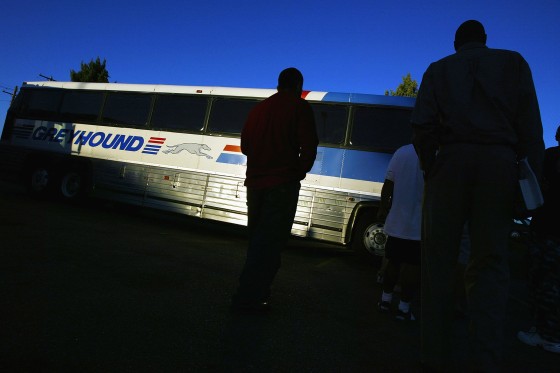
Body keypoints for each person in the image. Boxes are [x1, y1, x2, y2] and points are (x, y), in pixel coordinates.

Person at [411, 20, 544, 371]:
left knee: (438, 263)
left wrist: (432, 168)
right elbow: (531, 130)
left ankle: (434, 357)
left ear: (457, 42)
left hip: (449, 162)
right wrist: (528, 188)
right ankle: (484, 360)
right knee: (490, 266)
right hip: (499, 165)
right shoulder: (514, 63)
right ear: (484, 40)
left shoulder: (438, 70)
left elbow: (422, 127)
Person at [231, 67, 318, 313]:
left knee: (257, 241)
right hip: (281, 187)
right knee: (270, 244)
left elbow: (246, 146)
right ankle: (250, 298)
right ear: (298, 85)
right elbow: (309, 146)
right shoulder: (300, 108)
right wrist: (297, 172)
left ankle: (253, 294)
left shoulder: (258, 109)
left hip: (255, 186)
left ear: (279, 84)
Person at [517, 124, 560, 353]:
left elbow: (533, 183)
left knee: (543, 282)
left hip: (546, 228)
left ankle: (547, 334)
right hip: (550, 229)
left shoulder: (550, 156)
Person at [376, 144, 423, 321]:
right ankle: (404, 308)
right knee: (412, 268)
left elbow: (388, 185)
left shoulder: (401, 152)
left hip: (397, 221)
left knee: (393, 262)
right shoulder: (436, 153)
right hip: (420, 225)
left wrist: (383, 207)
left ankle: (385, 300)